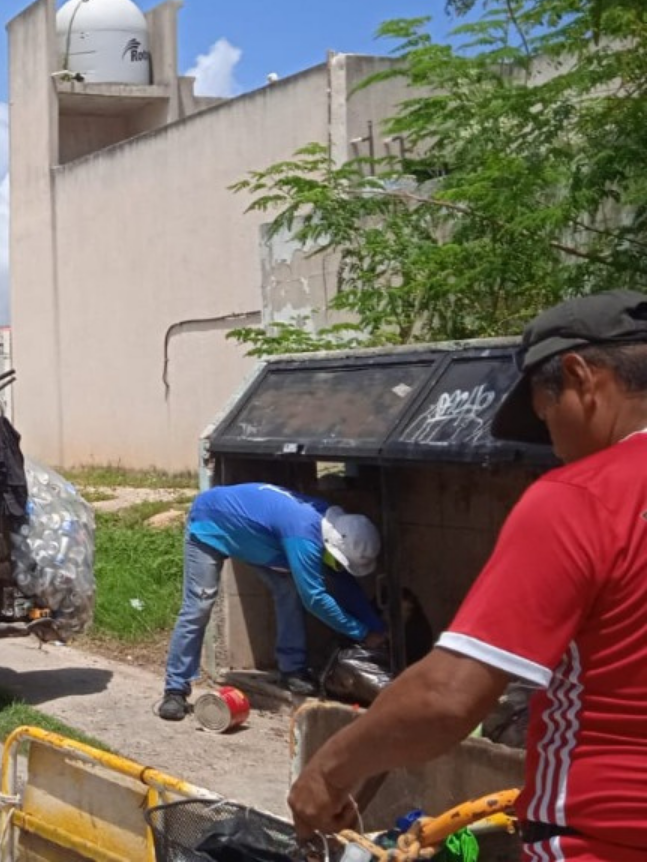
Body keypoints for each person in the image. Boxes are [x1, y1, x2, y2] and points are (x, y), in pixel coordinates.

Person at [289, 290, 647, 860]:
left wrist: (327, 771)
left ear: (581, 376)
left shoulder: (580, 499)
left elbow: (447, 697)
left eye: (545, 416)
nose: (554, 445)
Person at [157, 480, 386, 721]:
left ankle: (292, 670)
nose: (339, 566)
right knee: (199, 606)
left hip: (253, 536)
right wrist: (362, 632)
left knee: (288, 589)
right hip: (210, 521)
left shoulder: (331, 527)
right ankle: (175, 689)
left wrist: (378, 628)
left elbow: (344, 582)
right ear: (333, 547)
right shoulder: (304, 534)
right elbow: (315, 599)